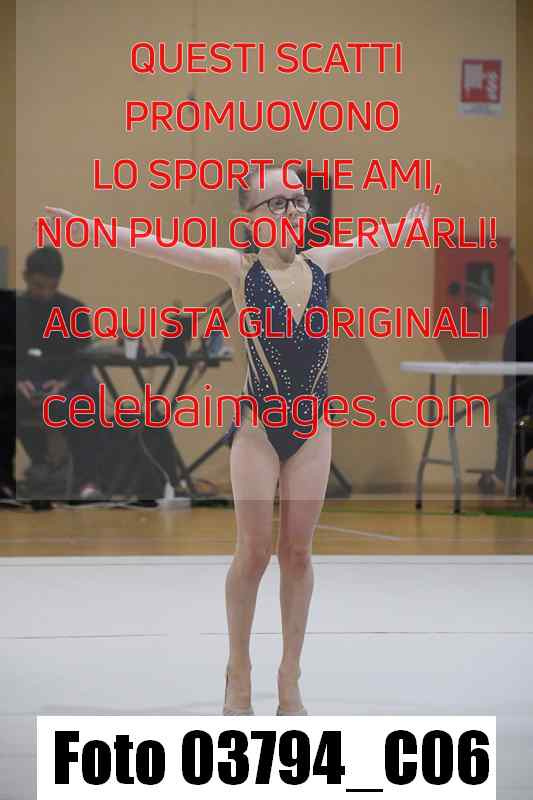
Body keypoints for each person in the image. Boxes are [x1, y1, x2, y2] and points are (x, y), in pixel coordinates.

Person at [44, 168, 430, 714]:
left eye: (299, 200)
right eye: (278, 202)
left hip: (312, 428)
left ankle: (290, 676)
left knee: (298, 553)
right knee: (254, 552)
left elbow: (374, 241)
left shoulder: (321, 263)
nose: (293, 210)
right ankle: (239, 668)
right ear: (249, 220)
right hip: (258, 430)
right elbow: (158, 247)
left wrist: (406, 228)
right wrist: (90, 228)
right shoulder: (238, 268)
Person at [16, 247, 104, 500]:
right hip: (23, 386)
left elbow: (83, 360)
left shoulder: (74, 310)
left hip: (66, 386)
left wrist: (63, 383)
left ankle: (87, 480)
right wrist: (16, 379)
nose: (45, 293)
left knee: (89, 393)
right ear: (25, 277)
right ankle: (40, 462)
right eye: (38, 286)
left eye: (52, 287)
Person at [494, 313, 533, 496]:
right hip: (520, 400)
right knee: (507, 406)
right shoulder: (518, 331)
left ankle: (510, 476)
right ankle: (509, 477)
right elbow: (510, 379)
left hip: (519, 401)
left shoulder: (516, 330)